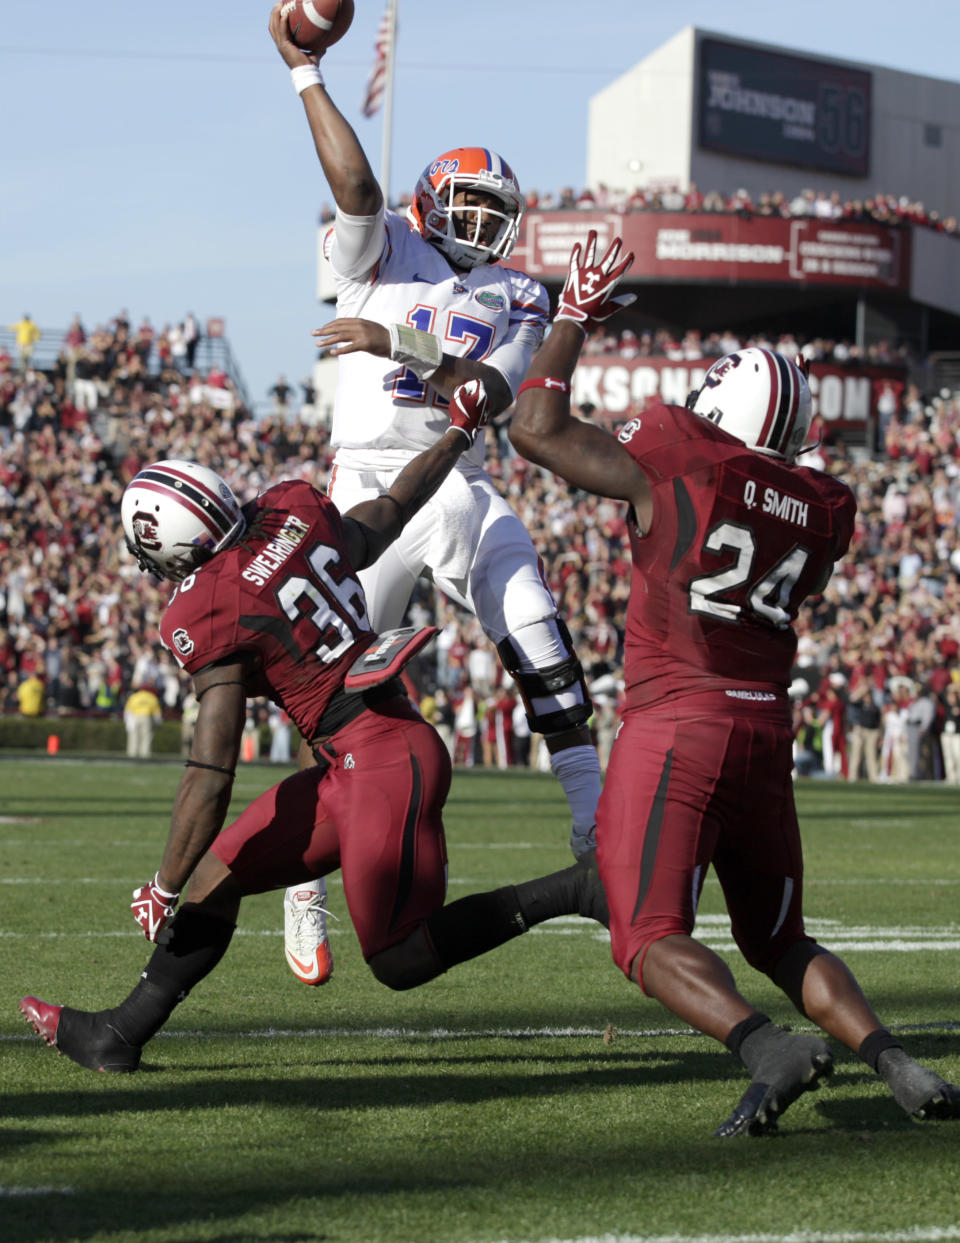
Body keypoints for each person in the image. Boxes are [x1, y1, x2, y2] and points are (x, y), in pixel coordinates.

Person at [19, 369, 607, 1075]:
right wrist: (456, 431)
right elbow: (389, 511)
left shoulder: (206, 608)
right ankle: (121, 1032)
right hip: (358, 755)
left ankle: (578, 888)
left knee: (397, 956)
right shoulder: (289, 510)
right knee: (221, 873)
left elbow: (211, 772)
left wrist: (162, 883)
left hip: (381, 761)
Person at [508, 229, 960, 1135]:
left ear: (721, 405)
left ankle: (767, 1047)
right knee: (780, 937)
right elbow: (772, 504)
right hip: (765, 731)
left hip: (680, 720)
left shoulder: (682, 449)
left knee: (644, 934)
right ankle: (894, 1060)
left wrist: (574, 315)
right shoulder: (829, 506)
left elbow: (535, 428)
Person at [268, 5, 604, 982]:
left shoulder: (514, 291)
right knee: (326, 704)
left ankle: (591, 814)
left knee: (529, 603)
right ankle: (302, 881)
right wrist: (303, 74)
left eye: (495, 209)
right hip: (367, 487)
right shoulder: (381, 247)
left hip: (455, 480)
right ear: (431, 199)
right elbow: (359, 185)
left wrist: (396, 341)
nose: (483, 222)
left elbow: (487, 392)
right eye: (468, 202)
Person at [123, 683, 163, 758]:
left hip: (134, 717)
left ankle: (132, 755)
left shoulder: (134, 697)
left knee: (133, 737)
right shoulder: (152, 697)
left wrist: (127, 722)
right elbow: (157, 714)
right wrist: (158, 724)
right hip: (146, 717)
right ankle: (145, 756)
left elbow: (127, 711)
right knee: (146, 738)